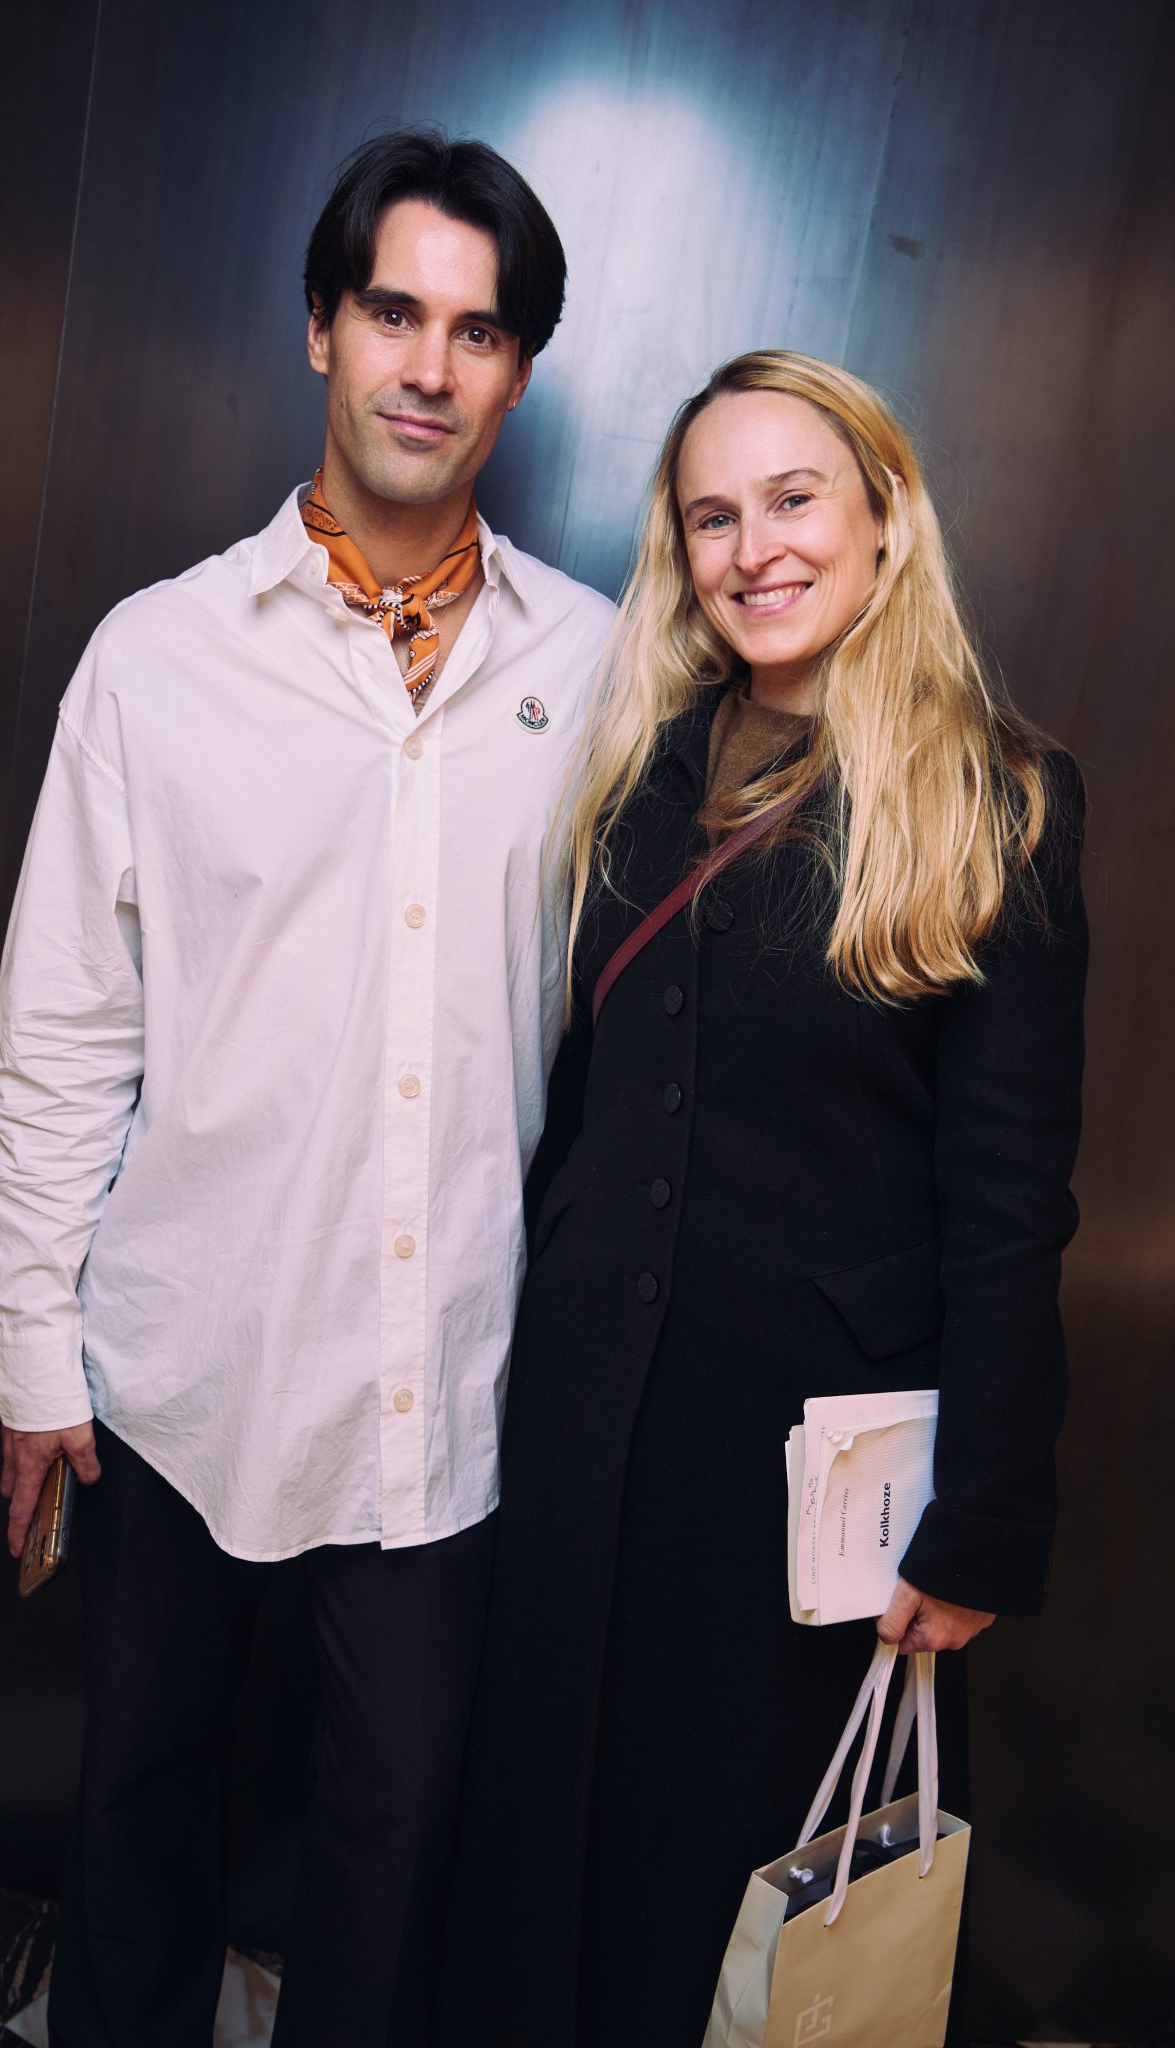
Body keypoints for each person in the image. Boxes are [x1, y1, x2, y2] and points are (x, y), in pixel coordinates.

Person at [0, 128, 614, 2048]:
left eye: (479, 331)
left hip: (446, 1396)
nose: (430, 365)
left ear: (516, 373)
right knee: (139, 1814)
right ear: (319, 331)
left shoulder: (597, 670)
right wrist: (30, 1350)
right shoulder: (156, 661)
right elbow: (63, 1035)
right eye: (395, 313)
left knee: (390, 1853)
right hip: (179, 1370)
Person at [433, 350, 1087, 2048]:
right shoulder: (632, 766)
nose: (754, 548)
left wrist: (986, 1514)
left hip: (806, 1474)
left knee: (707, 1881)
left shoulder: (996, 799)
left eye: (792, 499)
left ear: (881, 517)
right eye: (711, 515)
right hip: (582, 1424)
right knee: (530, 1836)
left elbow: (1012, 1202)